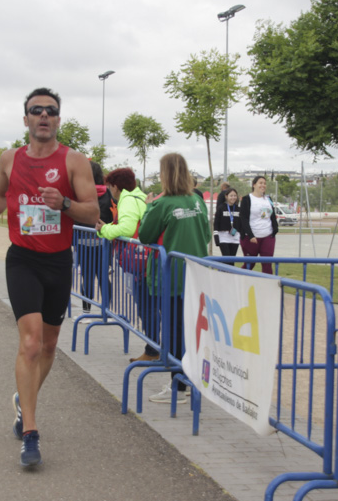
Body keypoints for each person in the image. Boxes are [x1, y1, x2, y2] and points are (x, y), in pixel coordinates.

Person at [0, 87, 98, 468]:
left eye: (51, 111)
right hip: (22, 259)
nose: (43, 116)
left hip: (58, 261)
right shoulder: (9, 159)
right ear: (25, 119)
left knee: (48, 345)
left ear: (58, 119)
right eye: (36, 110)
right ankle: (30, 431)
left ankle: (21, 400)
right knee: (30, 343)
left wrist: (63, 204)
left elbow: (92, 213)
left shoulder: (75, 161)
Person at [137, 153, 210, 404]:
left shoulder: (161, 203)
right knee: (189, 330)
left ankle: (179, 386)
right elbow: (207, 236)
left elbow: (145, 235)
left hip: (171, 277)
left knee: (175, 330)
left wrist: (148, 207)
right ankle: (188, 381)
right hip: (195, 273)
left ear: (165, 174)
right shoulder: (197, 201)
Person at [96, 167, 151, 361]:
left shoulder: (127, 199)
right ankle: (153, 348)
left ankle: (152, 350)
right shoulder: (140, 197)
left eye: (110, 187)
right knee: (149, 304)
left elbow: (127, 229)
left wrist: (104, 231)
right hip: (147, 258)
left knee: (146, 305)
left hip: (140, 261)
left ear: (115, 186)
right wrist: (108, 228)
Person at [78, 161, 115, 313]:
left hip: (82, 239)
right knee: (103, 277)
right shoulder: (109, 193)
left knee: (87, 277)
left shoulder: (81, 193)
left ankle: (86, 311)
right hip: (103, 241)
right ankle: (106, 311)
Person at [236, 175, 280, 274]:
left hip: (267, 235)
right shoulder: (247, 199)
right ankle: (239, 281)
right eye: (260, 183)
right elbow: (244, 218)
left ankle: (268, 285)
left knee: (267, 264)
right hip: (251, 237)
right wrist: (250, 235)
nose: (263, 185)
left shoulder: (268, 199)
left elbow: (272, 215)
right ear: (254, 185)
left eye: (264, 183)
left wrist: (275, 229)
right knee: (250, 264)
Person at [213, 187, 241, 257]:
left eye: (235, 196)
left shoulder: (238, 208)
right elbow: (216, 223)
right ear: (226, 196)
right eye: (231, 196)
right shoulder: (221, 208)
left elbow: (241, 223)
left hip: (235, 236)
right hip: (223, 237)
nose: (233, 197)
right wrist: (216, 236)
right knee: (226, 258)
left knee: (232, 259)